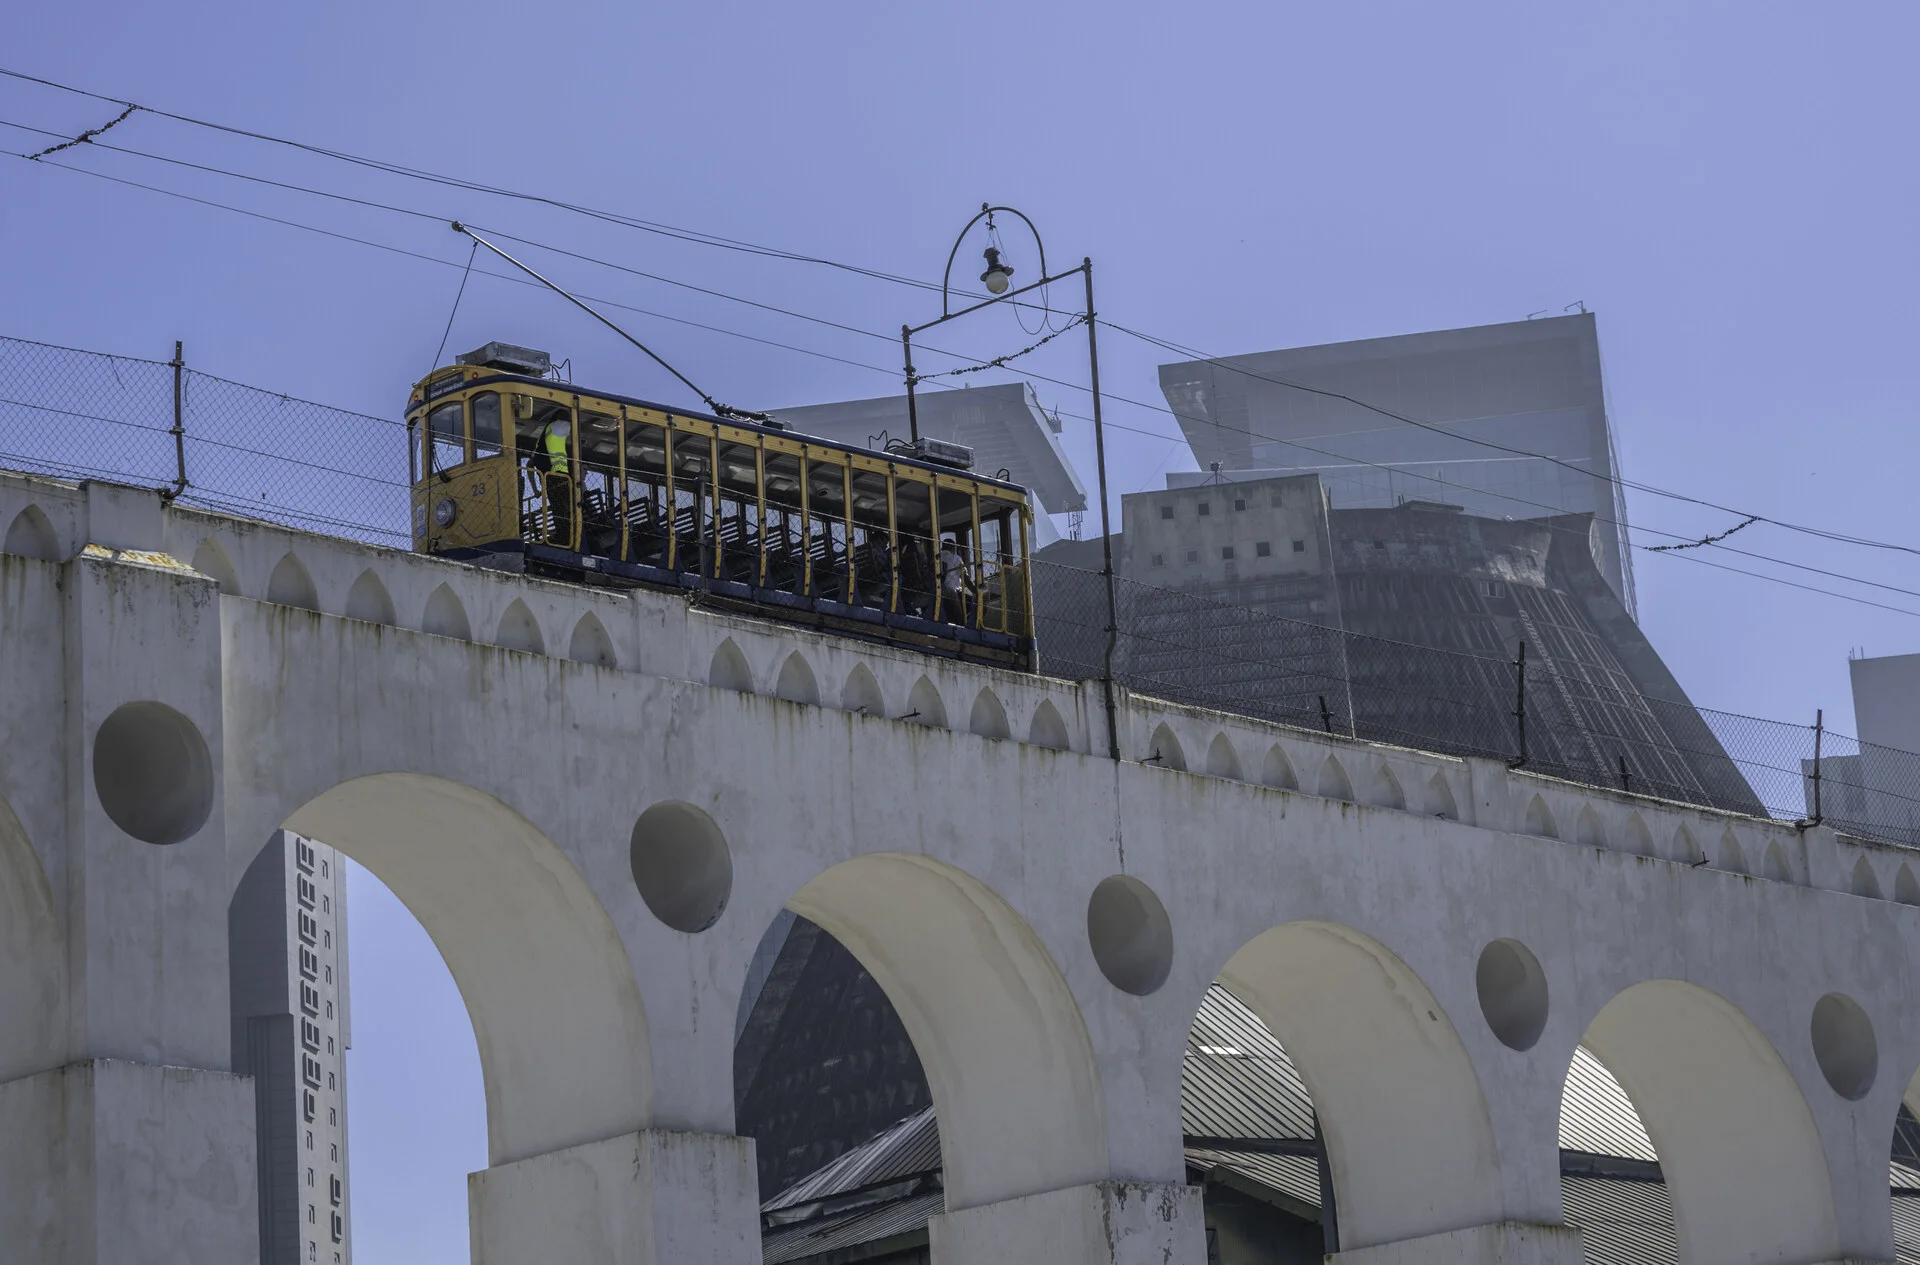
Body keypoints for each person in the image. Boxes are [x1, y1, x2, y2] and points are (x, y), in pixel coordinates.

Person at [540, 418, 574, 548]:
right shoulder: (561, 425)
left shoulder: (543, 438)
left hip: (552, 480)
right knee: (565, 510)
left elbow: (530, 463)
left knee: (559, 511)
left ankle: (564, 535)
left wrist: (536, 489)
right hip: (561, 479)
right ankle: (567, 536)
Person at [937, 535, 969, 624]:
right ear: (953, 548)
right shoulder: (956, 558)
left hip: (939, 590)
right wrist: (975, 590)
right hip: (953, 592)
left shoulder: (937, 557)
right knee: (973, 603)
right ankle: (964, 623)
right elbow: (965, 577)